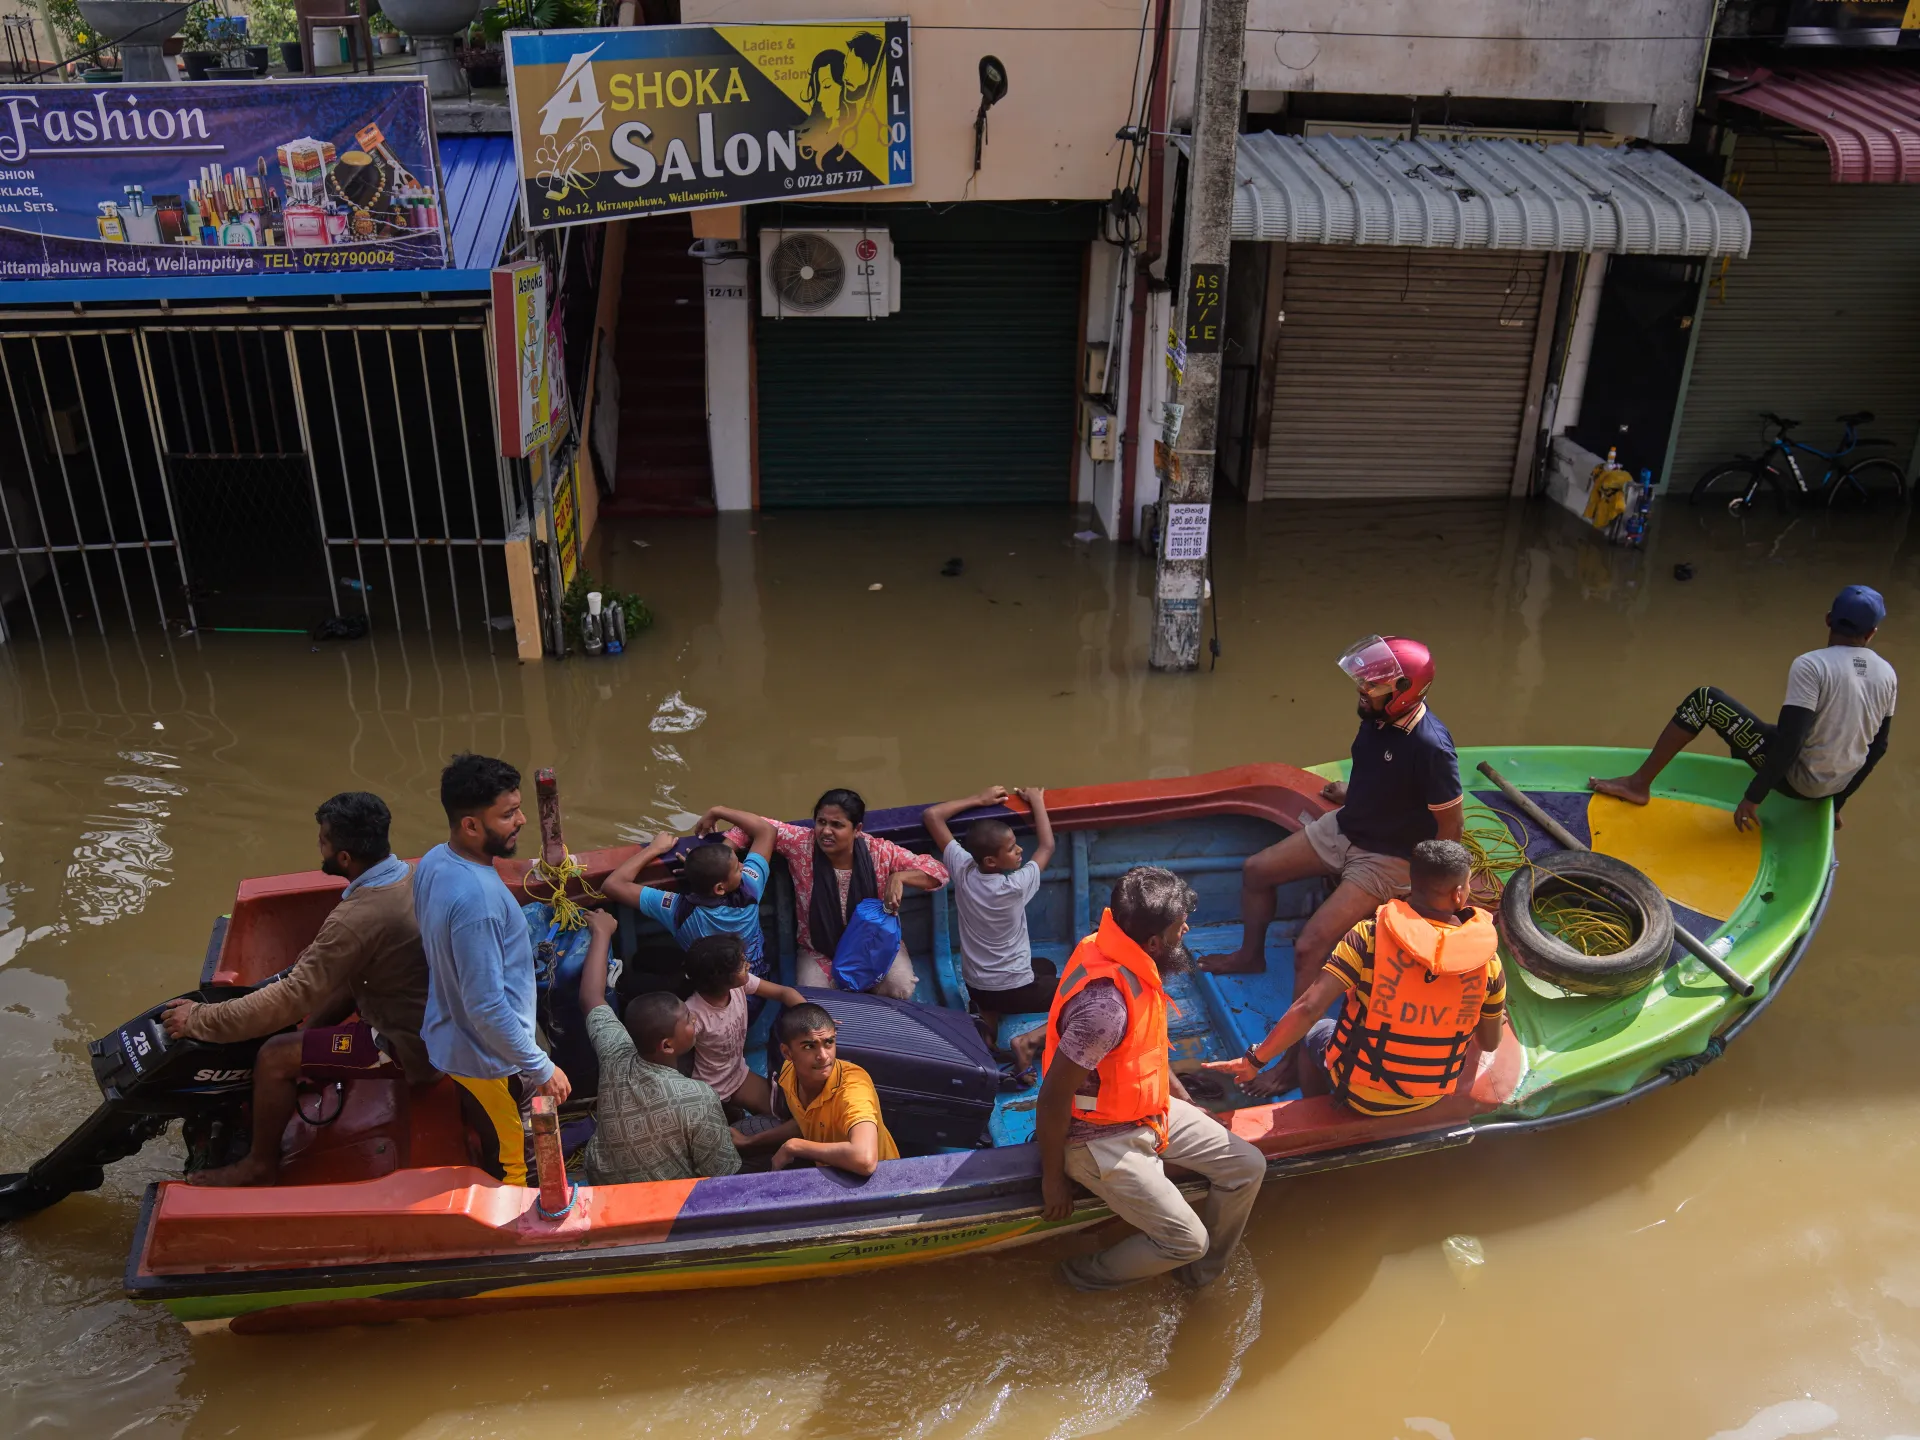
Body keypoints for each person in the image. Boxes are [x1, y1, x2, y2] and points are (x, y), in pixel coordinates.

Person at [1204, 636, 1465, 1096]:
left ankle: (1288, 1063)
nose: (1363, 691)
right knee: (1256, 870)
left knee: (1312, 945)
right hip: (1346, 828)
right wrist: (1352, 793)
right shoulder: (1377, 719)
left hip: (1389, 859)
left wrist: (1433, 894)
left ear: (1405, 690)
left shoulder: (1431, 746)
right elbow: (1376, 771)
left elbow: (1451, 824)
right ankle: (1251, 954)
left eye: (1374, 686)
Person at [159, 792, 433, 1187]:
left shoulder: (356, 918)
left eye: (323, 839)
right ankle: (310, 1053)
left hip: (408, 1046)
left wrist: (200, 1020)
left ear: (343, 858)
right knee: (333, 994)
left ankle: (260, 1165)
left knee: (273, 1055)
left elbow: (291, 999)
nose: (318, 846)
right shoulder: (408, 876)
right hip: (420, 1010)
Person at [1038, 866, 1268, 1292]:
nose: (1187, 929)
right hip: (1097, 1138)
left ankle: (1200, 1277)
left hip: (1147, 1110)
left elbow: (1149, 1050)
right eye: (1180, 927)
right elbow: (1052, 1099)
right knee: (1187, 1240)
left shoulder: (1122, 954)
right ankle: (1078, 1278)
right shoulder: (1104, 1010)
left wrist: (1185, 1103)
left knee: (1247, 1166)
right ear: (1153, 942)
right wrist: (1053, 1180)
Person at [1206, 840, 1505, 1114]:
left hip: (1361, 1091)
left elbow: (1308, 1007)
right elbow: (1489, 1042)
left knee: (1317, 1029)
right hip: (1427, 1096)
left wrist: (1254, 1062)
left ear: (1412, 883)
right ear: (1459, 893)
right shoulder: (1488, 962)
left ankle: (1317, 1109)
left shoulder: (1369, 935)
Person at [1590, 585, 1895, 833]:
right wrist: (1837, 802)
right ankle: (1767, 780)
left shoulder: (1812, 665)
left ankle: (1638, 785)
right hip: (1833, 785)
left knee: (1705, 700)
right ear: (1871, 633)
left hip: (1799, 782)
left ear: (1828, 619)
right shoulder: (1887, 674)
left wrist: (1753, 798)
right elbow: (1878, 747)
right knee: (1761, 733)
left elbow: (1791, 741)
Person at [415, 753, 568, 1187]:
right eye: (507, 815)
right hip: (488, 1061)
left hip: (454, 1036)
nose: (521, 820)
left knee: (493, 1134)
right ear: (470, 825)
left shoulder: (433, 862)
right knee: (515, 1163)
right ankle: (517, 1234)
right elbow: (485, 1006)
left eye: (519, 808)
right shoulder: (478, 902)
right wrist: (541, 1068)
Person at [705, 788, 947, 1000]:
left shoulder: (880, 853)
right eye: (821, 822)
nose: (825, 832)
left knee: (901, 988)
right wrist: (722, 853)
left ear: (857, 829)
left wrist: (900, 877)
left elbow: (938, 872)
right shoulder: (801, 844)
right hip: (818, 949)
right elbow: (753, 827)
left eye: (837, 825)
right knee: (813, 998)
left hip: (874, 945)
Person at [572, 910, 741, 1185]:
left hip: (603, 1182)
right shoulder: (698, 1097)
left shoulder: (614, 1051)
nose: (695, 1018)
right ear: (667, 1045)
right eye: (688, 1019)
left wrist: (601, 932)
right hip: (661, 1202)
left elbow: (590, 997)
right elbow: (725, 1175)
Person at [921, 785, 1058, 1021]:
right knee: (1081, 991)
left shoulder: (963, 869)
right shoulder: (1014, 887)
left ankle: (988, 1016)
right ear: (991, 861)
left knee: (1045, 966)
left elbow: (932, 816)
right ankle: (1027, 1041)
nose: (1019, 850)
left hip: (977, 987)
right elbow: (1047, 846)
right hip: (1015, 991)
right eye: (1012, 848)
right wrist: (1037, 801)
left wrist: (977, 799)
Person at [601, 811, 774, 989]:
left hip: (710, 986)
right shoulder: (750, 887)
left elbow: (612, 885)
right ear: (720, 888)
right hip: (756, 979)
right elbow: (765, 830)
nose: (742, 866)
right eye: (737, 868)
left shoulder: (678, 909)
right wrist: (717, 811)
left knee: (643, 961)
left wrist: (654, 849)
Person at [732, 1001, 899, 1176]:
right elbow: (805, 1122)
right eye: (809, 1046)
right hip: (830, 1169)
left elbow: (864, 1160)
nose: (823, 1056)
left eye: (829, 1043)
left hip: (878, 1183)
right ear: (787, 1053)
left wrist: (796, 1146)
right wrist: (750, 1142)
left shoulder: (853, 1087)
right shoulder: (788, 1075)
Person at [683, 932, 805, 1117]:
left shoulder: (740, 985)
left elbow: (784, 993)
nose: (748, 965)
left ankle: (733, 1111)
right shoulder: (692, 1013)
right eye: (741, 965)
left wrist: (813, 1017)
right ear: (721, 978)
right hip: (708, 1091)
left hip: (738, 1075)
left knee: (784, 1112)